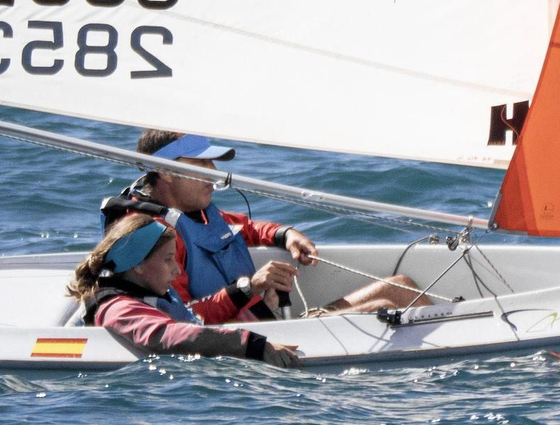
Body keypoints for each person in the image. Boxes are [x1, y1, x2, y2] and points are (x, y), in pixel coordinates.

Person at [102, 129, 430, 320]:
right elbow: (181, 317)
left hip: (265, 322)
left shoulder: (196, 213)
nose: (214, 172)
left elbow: (243, 229)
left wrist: (285, 234)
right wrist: (251, 287)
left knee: (399, 285)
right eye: (202, 163)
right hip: (240, 343)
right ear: (167, 171)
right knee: (385, 306)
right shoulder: (150, 236)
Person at [69, 214, 300, 368]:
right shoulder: (118, 308)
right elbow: (169, 336)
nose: (177, 270)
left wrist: (263, 309)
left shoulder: (153, 292)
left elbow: (194, 323)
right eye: (169, 260)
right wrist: (253, 345)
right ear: (137, 264)